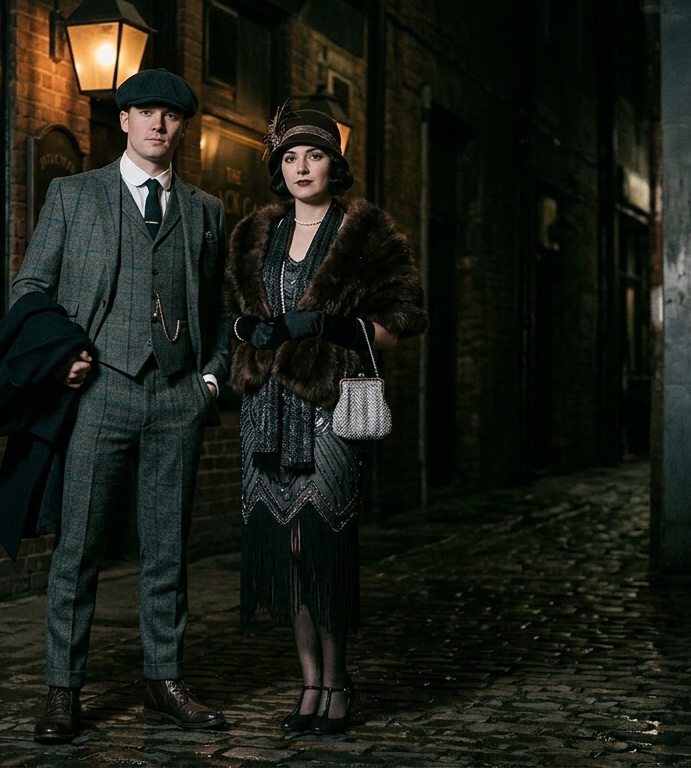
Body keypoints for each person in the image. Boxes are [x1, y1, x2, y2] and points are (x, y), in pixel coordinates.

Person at [11, 69, 231, 745]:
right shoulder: (74, 195)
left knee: (167, 548)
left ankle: (164, 680)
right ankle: (62, 691)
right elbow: (29, 288)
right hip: (99, 392)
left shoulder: (207, 211)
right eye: (146, 113)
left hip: (175, 397)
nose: (159, 125)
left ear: (181, 127)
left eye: (172, 116)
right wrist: (62, 355)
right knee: (77, 548)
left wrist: (210, 386)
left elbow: (225, 315)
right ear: (126, 120)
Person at [224, 105, 427, 735]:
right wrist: (244, 330)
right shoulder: (254, 235)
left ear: (332, 163)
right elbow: (225, 313)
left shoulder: (365, 234)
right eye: (289, 157)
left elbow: (403, 321)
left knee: (322, 545)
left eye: (313, 155)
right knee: (286, 551)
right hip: (265, 412)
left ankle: (339, 681)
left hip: (328, 409)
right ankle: (308, 683)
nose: (300, 167)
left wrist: (331, 325)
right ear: (277, 169)